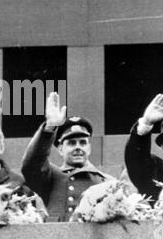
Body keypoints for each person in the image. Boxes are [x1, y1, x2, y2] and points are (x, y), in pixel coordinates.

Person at [21, 92, 114, 222]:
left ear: (89, 147)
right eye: (71, 143)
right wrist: (49, 128)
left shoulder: (108, 182)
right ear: (60, 149)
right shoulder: (50, 178)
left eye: (82, 142)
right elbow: (31, 165)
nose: (78, 147)